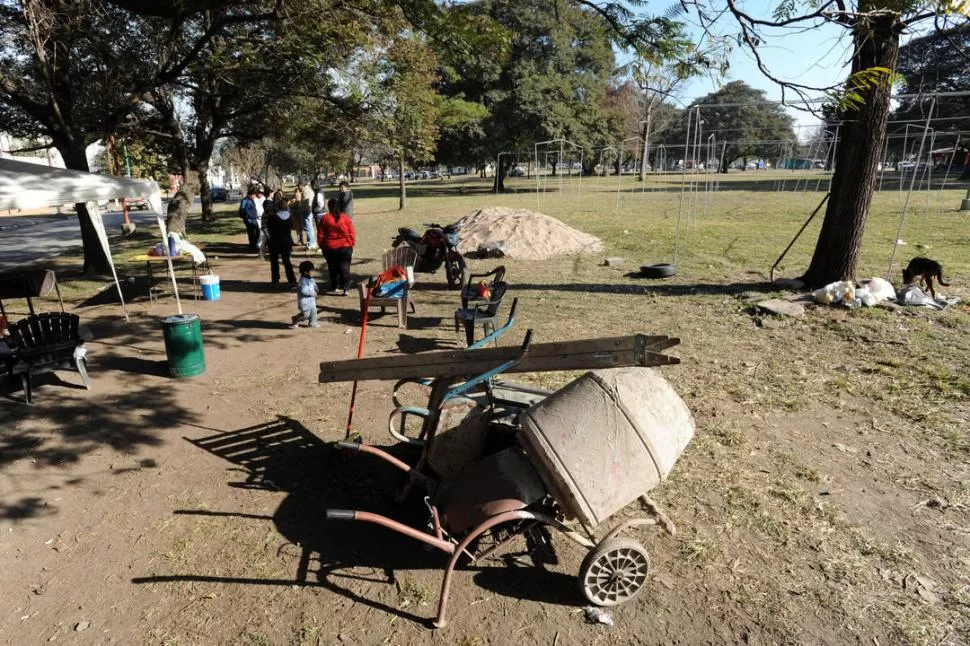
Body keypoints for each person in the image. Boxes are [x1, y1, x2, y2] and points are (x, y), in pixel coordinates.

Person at [317, 198, 356, 295]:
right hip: (345, 246)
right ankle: (346, 288)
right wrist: (352, 243)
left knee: (332, 268)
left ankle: (334, 286)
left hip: (329, 247)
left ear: (329, 207)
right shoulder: (345, 218)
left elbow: (320, 234)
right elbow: (352, 232)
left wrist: (321, 245)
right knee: (345, 267)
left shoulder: (325, 219)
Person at [263, 194, 296, 287]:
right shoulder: (290, 217)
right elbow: (293, 227)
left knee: (274, 262)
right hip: (286, 241)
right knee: (287, 261)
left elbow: (268, 228)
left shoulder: (273, 217)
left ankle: (275, 280)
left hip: (275, 242)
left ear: (277, 206)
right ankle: (292, 280)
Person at [291, 260, 319, 328]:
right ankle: (296, 319)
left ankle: (313, 323)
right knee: (306, 314)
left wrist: (316, 289)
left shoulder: (311, 278)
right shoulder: (302, 281)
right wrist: (312, 293)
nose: (312, 272)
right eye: (311, 271)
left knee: (314, 312)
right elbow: (304, 291)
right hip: (304, 302)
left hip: (311, 301)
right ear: (305, 272)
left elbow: (314, 284)